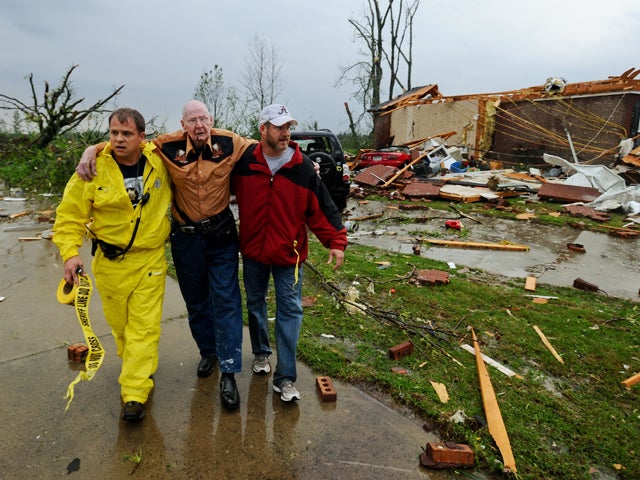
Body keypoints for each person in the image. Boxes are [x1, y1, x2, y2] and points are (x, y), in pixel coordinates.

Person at [76, 100, 254, 410]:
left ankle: (229, 371)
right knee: (196, 300)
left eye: (204, 119)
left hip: (221, 235)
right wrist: (93, 149)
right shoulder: (165, 147)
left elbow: (264, 150)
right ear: (183, 124)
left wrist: (305, 161)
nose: (199, 125)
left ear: (211, 119)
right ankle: (208, 351)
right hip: (186, 238)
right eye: (192, 120)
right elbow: (129, 143)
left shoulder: (230, 141)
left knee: (226, 300)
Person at [53, 108, 172, 422]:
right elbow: (68, 217)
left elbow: (193, 136)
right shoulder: (92, 170)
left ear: (141, 137)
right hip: (110, 264)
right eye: (114, 133)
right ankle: (138, 364)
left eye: (127, 134)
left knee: (144, 329)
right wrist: (70, 254)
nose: (119, 139)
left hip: (150, 261)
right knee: (121, 328)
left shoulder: (160, 161)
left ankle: (134, 392)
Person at [232, 104, 347, 402]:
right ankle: (260, 353)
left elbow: (321, 207)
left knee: (290, 311)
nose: (286, 133)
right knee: (255, 305)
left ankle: (285, 378)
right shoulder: (245, 163)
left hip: (290, 255)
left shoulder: (302, 167)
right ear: (263, 129)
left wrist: (335, 240)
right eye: (279, 127)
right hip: (254, 251)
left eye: (288, 127)